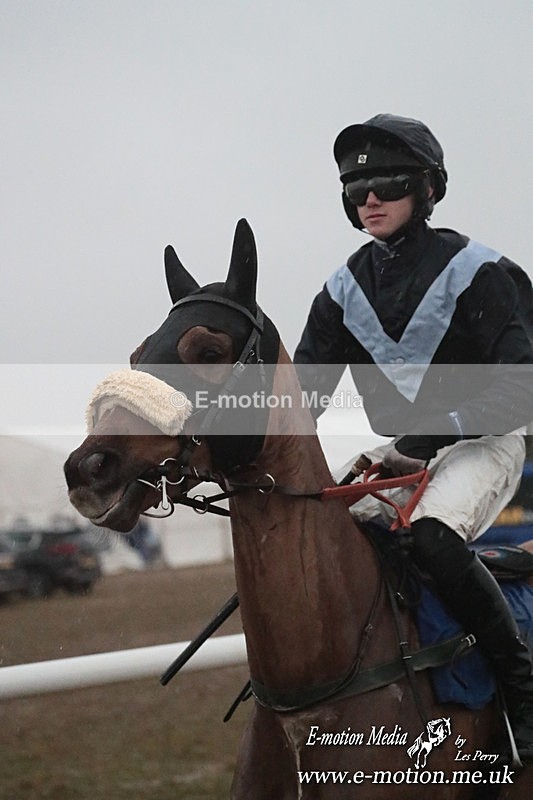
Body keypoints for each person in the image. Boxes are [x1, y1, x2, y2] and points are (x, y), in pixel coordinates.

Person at [294, 113, 533, 759]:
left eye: (387, 182)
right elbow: (301, 395)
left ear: (426, 190)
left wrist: (428, 437)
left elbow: (521, 387)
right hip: (401, 449)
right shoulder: (341, 290)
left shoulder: (482, 270)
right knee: (324, 525)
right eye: (355, 187)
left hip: (486, 442)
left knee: (428, 534)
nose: (369, 197)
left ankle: (520, 687)